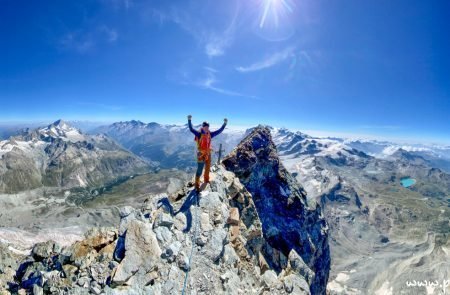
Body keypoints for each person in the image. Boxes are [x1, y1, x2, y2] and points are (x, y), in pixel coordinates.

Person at [187, 115, 227, 191]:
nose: (207, 128)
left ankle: (206, 180)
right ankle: (197, 185)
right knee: (199, 170)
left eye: (208, 127)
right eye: (205, 127)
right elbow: (191, 129)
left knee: (208, 168)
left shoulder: (210, 134)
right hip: (201, 154)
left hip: (208, 153)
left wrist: (224, 124)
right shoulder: (199, 134)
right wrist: (189, 120)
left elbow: (219, 131)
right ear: (203, 127)